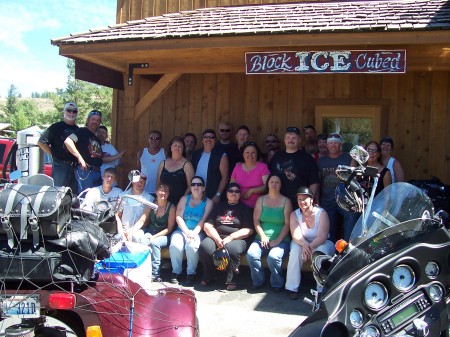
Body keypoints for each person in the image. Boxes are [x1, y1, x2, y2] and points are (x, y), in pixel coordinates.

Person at [198, 182, 253, 290]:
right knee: (205, 246)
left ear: (240, 194)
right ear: (226, 193)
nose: (233, 193)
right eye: (231, 191)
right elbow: (207, 225)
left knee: (231, 248)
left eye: (237, 191)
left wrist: (231, 237)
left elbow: (249, 230)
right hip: (217, 236)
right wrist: (217, 239)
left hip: (237, 238)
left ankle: (231, 278)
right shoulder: (219, 206)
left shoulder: (244, 208)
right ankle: (210, 275)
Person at [285, 187, 335, 299]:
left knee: (319, 252)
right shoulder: (294, 214)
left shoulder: (322, 213)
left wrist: (309, 247)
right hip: (303, 242)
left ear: (311, 199)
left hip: (322, 242)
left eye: (304, 199)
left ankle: (321, 289)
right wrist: (304, 245)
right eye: (299, 199)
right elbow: (296, 235)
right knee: (295, 250)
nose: (302, 202)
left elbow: (322, 237)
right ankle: (292, 288)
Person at [246, 174, 293, 292]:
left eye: (277, 182)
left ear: (281, 185)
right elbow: (256, 220)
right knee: (251, 254)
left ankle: (277, 283)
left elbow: (288, 224)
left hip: (281, 239)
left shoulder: (286, 201)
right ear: (267, 184)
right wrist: (262, 236)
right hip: (261, 238)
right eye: (272, 182)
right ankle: (258, 281)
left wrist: (278, 240)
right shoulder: (261, 200)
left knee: (273, 257)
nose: (274, 184)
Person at [169, 176, 214, 286]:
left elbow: (203, 220)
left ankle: (191, 273)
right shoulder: (185, 199)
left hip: (198, 231)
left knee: (191, 245)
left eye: (199, 184)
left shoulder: (208, 202)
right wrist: (187, 232)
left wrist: (193, 233)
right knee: (175, 244)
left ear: (203, 188)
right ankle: (176, 272)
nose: (196, 186)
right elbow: (178, 217)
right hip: (182, 230)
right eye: (193, 184)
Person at [317, 133, 358, 242]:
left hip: (345, 199)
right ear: (327, 145)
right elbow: (317, 182)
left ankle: (347, 248)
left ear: (340, 145)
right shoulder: (321, 161)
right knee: (330, 231)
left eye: (336, 143)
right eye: (330, 143)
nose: (333, 145)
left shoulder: (348, 158)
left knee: (351, 217)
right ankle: (330, 254)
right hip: (327, 201)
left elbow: (355, 177)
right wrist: (316, 201)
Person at [131, 182, 175, 281]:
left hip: (164, 234)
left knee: (154, 243)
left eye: (165, 191)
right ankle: (142, 269)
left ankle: (155, 273)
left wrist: (154, 237)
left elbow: (169, 228)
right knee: (142, 241)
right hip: (151, 232)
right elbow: (142, 220)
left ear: (168, 194)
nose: (162, 193)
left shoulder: (171, 207)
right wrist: (131, 230)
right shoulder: (151, 205)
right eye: (160, 190)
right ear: (156, 192)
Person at [269, 126, 320, 207]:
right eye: (288, 137)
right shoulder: (276, 157)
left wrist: (309, 200)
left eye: (294, 138)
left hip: (301, 204)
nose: (291, 140)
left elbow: (314, 182)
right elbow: (269, 180)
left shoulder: (308, 158)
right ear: (284, 140)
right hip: (279, 203)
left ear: (299, 140)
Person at [38, 102, 79, 193]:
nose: (71, 113)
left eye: (74, 111)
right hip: (60, 166)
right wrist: (54, 154)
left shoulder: (78, 129)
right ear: (64, 111)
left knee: (74, 195)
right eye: (69, 110)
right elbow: (41, 142)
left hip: (75, 167)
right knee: (59, 194)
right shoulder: (55, 127)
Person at [64, 110, 103, 193]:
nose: (95, 122)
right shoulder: (81, 131)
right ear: (88, 120)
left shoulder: (97, 139)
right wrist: (80, 158)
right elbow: (68, 141)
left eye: (97, 120)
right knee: (84, 199)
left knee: (96, 199)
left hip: (97, 172)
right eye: (93, 119)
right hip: (85, 172)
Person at [191, 129, 229, 204]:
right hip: (196, 194)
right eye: (206, 137)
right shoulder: (196, 154)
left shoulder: (221, 155)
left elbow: (225, 177)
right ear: (202, 140)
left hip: (212, 196)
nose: (208, 139)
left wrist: (218, 195)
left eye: (211, 137)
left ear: (215, 140)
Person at [115, 173, 155, 241]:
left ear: (145, 184)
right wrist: (121, 232)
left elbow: (144, 220)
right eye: (137, 181)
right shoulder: (123, 196)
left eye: (142, 182)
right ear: (133, 182)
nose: (140, 183)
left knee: (135, 238)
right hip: (122, 229)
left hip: (139, 230)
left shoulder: (149, 199)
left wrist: (131, 231)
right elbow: (117, 216)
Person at [230, 141, 270, 209]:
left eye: (253, 153)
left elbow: (267, 186)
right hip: (238, 205)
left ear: (257, 154)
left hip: (258, 206)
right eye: (247, 152)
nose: (250, 155)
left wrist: (251, 191)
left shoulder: (263, 167)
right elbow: (231, 186)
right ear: (243, 154)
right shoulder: (237, 168)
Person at [156, 136, 194, 206]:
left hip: (179, 203)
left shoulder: (187, 165)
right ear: (171, 147)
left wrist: (182, 201)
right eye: (175, 145)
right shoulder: (163, 163)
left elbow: (191, 186)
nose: (177, 148)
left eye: (180, 146)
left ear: (183, 149)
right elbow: (158, 183)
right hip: (163, 202)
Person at [137, 130, 166, 195]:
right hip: (143, 190)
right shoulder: (141, 153)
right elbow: (138, 171)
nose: (154, 140)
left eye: (157, 138)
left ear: (160, 140)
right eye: (152, 138)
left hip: (159, 191)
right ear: (148, 139)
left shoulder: (164, 153)